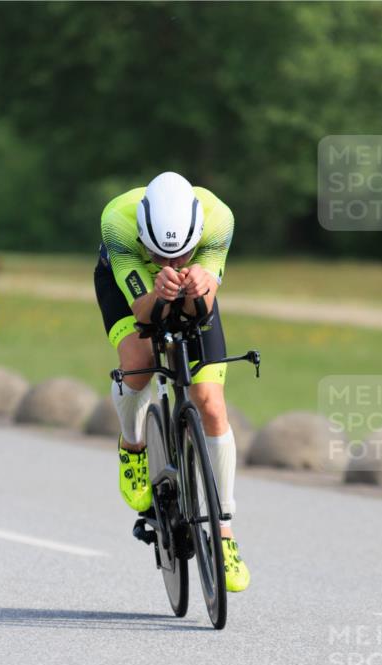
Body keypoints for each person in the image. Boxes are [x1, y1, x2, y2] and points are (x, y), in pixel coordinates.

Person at [94, 171, 250, 593]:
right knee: (140, 363)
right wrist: (159, 291)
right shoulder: (117, 223)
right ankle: (133, 446)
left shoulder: (219, 218)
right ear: (143, 236)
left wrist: (200, 284)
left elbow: (206, 301)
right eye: (161, 255)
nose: (172, 264)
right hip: (130, 288)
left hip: (192, 290)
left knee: (210, 402)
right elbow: (143, 314)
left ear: (197, 235)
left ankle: (224, 532)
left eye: (181, 255)